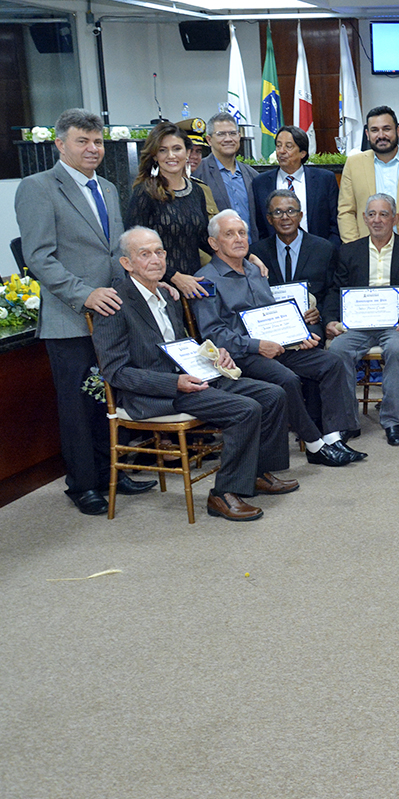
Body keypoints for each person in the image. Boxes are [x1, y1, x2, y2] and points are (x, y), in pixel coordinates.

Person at [91, 228, 297, 522]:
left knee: (273, 393)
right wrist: (174, 382)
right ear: (127, 263)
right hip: (156, 392)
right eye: (144, 254)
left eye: (159, 252)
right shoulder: (116, 304)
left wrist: (213, 355)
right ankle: (223, 494)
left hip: (191, 375)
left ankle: (254, 473)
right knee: (245, 409)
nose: (155, 260)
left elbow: (182, 345)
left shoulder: (167, 294)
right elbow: (116, 372)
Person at [16, 108, 147, 515]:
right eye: (82, 141)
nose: (93, 149)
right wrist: (85, 294)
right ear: (60, 144)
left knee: (108, 398)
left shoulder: (107, 187)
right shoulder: (38, 187)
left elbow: (112, 254)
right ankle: (83, 484)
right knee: (77, 405)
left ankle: (112, 470)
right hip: (70, 317)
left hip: (111, 314)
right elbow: (39, 257)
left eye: (97, 142)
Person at [192, 209, 365, 467]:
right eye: (229, 234)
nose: (239, 239)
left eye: (242, 233)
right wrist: (257, 345)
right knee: (287, 379)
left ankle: (332, 438)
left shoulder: (255, 270)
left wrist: (297, 336)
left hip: (277, 346)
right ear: (214, 243)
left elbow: (272, 314)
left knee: (331, 362)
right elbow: (213, 334)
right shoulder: (206, 280)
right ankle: (315, 446)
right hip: (241, 355)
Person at [323, 194, 399, 447]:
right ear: (364, 218)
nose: (377, 219)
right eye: (372, 214)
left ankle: (392, 421)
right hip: (358, 325)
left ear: (394, 218)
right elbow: (334, 290)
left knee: (397, 349)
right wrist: (329, 320)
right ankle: (347, 422)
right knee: (338, 350)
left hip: (396, 324)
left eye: (384, 214)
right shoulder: (349, 251)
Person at [126, 121, 218, 298]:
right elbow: (134, 247)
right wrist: (175, 277)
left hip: (193, 284)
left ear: (188, 152)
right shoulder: (145, 192)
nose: (171, 155)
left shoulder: (197, 191)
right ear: (154, 156)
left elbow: (204, 240)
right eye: (162, 150)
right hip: (160, 287)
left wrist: (242, 258)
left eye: (177, 148)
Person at [337, 105, 399, 246]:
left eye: (386, 129)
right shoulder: (353, 164)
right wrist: (355, 249)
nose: (381, 135)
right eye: (374, 130)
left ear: (398, 131)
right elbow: (346, 211)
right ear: (367, 134)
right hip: (367, 249)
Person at [249, 188, 338, 342]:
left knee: (310, 341)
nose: (285, 217)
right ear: (269, 219)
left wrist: (320, 312)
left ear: (300, 215)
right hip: (271, 323)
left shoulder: (324, 249)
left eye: (291, 211)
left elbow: (332, 291)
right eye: (277, 212)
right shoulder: (257, 252)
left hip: (309, 321)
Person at [252, 125, 340, 242]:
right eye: (278, 146)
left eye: (288, 146)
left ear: (302, 153)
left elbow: (335, 223)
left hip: (318, 252)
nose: (281, 151)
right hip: (274, 254)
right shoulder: (261, 183)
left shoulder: (324, 180)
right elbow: (259, 226)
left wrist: (329, 251)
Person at [193, 111, 264, 241]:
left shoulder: (252, 175)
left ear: (239, 136)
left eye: (232, 133)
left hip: (251, 251)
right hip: (216, 254)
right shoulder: (198, 174)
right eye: (221, 134)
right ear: (209, 140)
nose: (228, 139)